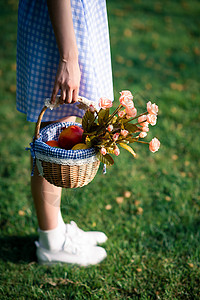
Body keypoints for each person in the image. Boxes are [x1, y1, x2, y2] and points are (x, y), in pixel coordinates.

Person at [16, 0, 113, 266]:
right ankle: (50, 243)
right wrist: (68, 58)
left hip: (75, 25)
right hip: (61, 32)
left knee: (62, 128)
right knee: (52, 142)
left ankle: (56, 229)